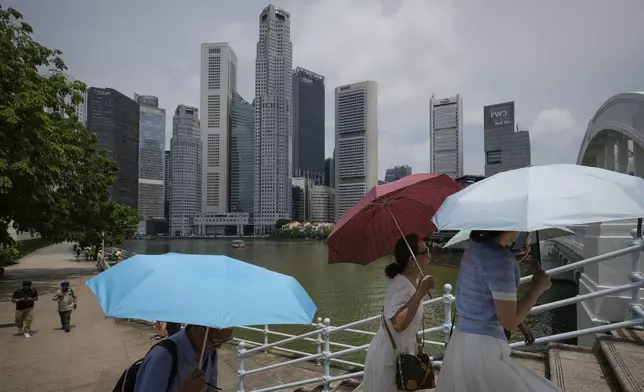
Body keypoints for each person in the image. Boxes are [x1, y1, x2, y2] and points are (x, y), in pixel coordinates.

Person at [436, 231, 559, 392]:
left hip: (461, 343)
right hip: (485, 350)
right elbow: (508, 321)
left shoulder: (474, 248)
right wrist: (538, 287)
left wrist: (512, 263)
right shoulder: (501, 260)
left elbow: (483, 291)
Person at [362, 234, 434, 392]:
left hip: (401, 351)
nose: (429, 255)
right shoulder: (402, 285)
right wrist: (420, 293)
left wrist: (414, 335)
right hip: (391, 358)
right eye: (425, 251)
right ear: (412, 260)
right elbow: (398, 324)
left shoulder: (408, 282)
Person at [134, 325, 233, 391]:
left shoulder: (210, 352)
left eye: (225, 341)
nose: (219, 346)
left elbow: (212, 387)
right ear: (197, 328)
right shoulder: (162, 357)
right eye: (216, 340)